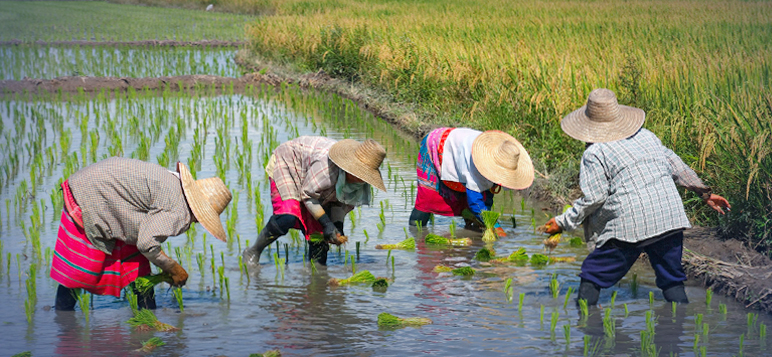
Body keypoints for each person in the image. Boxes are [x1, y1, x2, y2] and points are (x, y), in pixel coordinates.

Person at [542, 88, 730, 305]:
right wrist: (704, 193)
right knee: (672, 280)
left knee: (592, 275)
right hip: (669, 218)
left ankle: (587, 329)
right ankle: (678, 332)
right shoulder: (647, 136)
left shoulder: (594, 152)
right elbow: (675, 164)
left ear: (589, 125)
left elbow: (595, 197)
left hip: (630, 226)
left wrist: (562, 222)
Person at [51, 157, 231, 310]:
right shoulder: (180, 211)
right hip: (90, 196)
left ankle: (147, 318)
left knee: (136, 265)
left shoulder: (175, 184)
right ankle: (63, 320)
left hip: (103, 189)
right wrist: (172, 267)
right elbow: (146, 243)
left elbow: (144, 236)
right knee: (81, 271)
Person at [243, 136, 386, 266]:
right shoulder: (327, 168)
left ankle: (316, 275)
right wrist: (326, 222)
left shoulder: (358, 184)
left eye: (365, 176)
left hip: (311, 179)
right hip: (289, 163)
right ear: (350, 167)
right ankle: (253, 251)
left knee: (320, 238)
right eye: (359, 174)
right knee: (287, 216)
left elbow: (339, 204)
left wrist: (336, 226)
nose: (361, 179)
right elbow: (308, 194)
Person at [408, 128, 534, 233]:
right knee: (427, 198)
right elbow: (475, 201)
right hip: (436, 145)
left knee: (473, 207)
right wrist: (494, 226)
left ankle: (469, 228)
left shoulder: (502, 157)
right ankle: (416, 234)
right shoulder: (477, 163)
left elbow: (488, 194)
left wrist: (487, 218)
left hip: (460, 148)